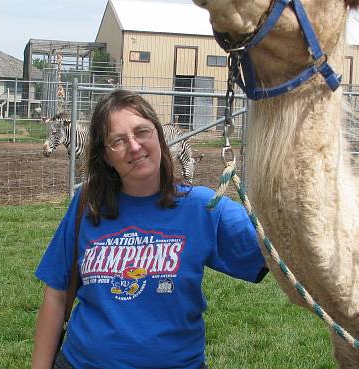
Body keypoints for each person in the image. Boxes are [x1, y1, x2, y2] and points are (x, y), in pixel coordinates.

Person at [31, 89, 267, 369]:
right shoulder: (87, 205)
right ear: (106, 156)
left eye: (142, 131)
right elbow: (57, 296)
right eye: (118, 140)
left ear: (159, 135)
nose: (133, 146)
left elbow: (282, 250)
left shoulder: (204, 207)